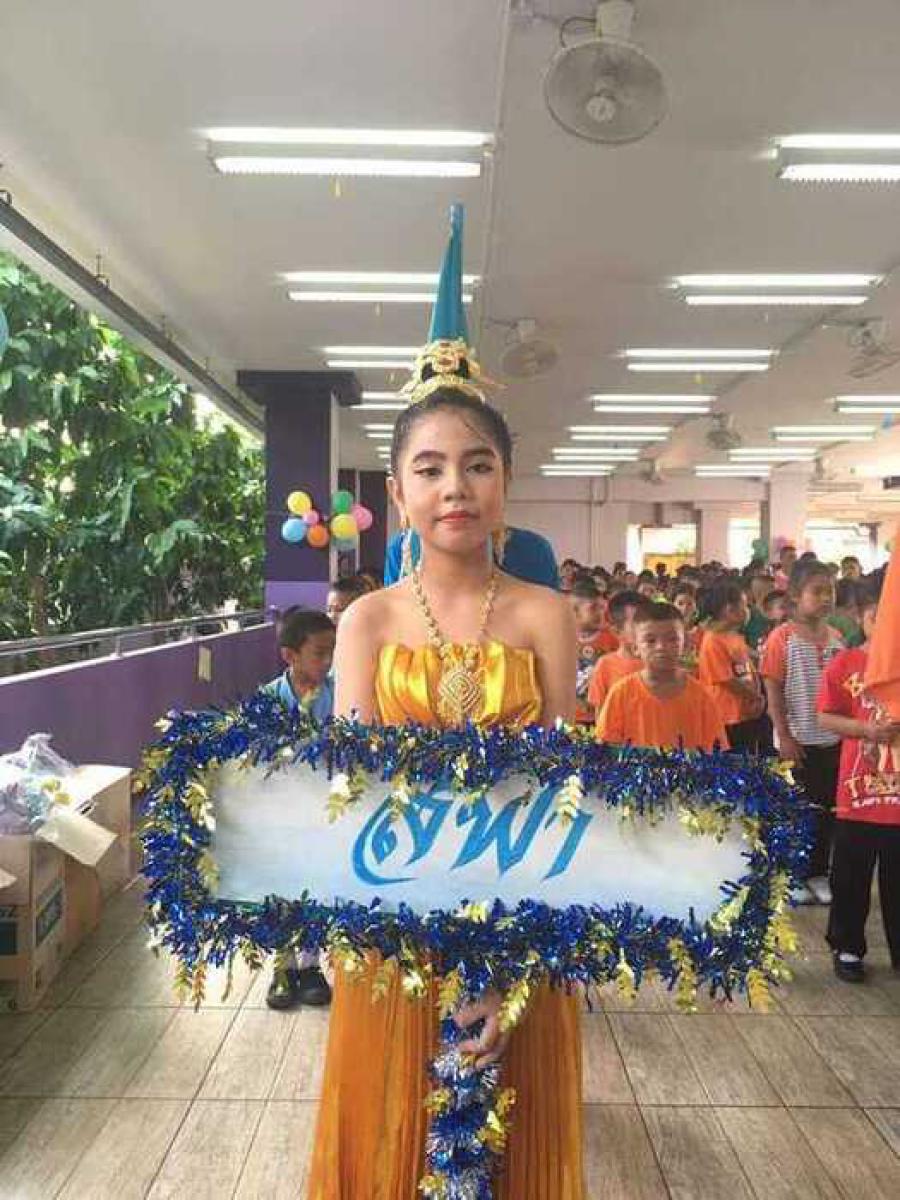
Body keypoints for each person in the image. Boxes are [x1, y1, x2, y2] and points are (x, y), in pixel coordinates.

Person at [308, 207, 583, 1199]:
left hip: (521, 911)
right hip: (393, 918)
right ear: (397, 491)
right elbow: (347, 786)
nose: (454, 487)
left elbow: (565, 783)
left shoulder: (547, 613)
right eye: (428, 469)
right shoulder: (367, 621)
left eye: (477, 465)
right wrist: (339, 920)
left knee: (511, 1140)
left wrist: (521, 949)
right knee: (393, 1131)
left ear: (507, 480)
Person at [817, 588, 900, 982]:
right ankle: (847, 946)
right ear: (864, 619)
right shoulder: (846, 663)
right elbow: (825, 716)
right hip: (858, 795)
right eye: (878, 618)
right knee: (850, 877)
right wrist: (866, 729)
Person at [262, 609, 336, 1009]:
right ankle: (283, 966)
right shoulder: (269, 699)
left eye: (332, 652)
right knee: (280, 886)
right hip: (280, 815)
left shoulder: (339, 694)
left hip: (323, 812)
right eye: (319, 653)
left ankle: (310, 966)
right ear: (290, 656)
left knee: (315, 883)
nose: (328, 661)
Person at [761, 560, 845, 905]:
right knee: (795, 810)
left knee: (826, 810)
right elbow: (773, 690)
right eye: (817, 591)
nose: (826, 598)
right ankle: (792, 874)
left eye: (830, 591)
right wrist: (785, 736)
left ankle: (818, 872)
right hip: (797, 740)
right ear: (795, 596)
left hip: (832, 739)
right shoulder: (782, 638)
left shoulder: (837, 639)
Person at [596, 600, 726, 751]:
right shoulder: (621, 694)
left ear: (685, 644)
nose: (661, 647)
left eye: (672, 639)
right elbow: (605, 748)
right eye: (650, 641)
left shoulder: (702, 696)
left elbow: (717, 752)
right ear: (636, 648)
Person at [698, 583, 769, 752]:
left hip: (746, 710)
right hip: (727, 714)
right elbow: (726, 680)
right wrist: (755, 696)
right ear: (729, 610)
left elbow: (747, 666)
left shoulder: (733, 635)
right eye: (744, 605)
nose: (747, 610)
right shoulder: (712, 641)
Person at [384, 523, 560, 591]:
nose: (455, 488)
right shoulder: (402, 550)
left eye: (479, 468)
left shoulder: (532, 551)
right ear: (399, 492)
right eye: (430, 472)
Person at [587, 588, 643, 714]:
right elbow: (600, 715)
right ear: (617, 631)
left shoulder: (658, 664)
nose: (645, 629)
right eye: (637, 624)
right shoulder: (605, 665)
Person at [570, 576, 617, 725]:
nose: (600, 613)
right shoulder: (560, 639)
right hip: (569, 717)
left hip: (602, 717)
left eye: (601, 608)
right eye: (593, 608)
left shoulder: (613, 639)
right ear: (575, 611)